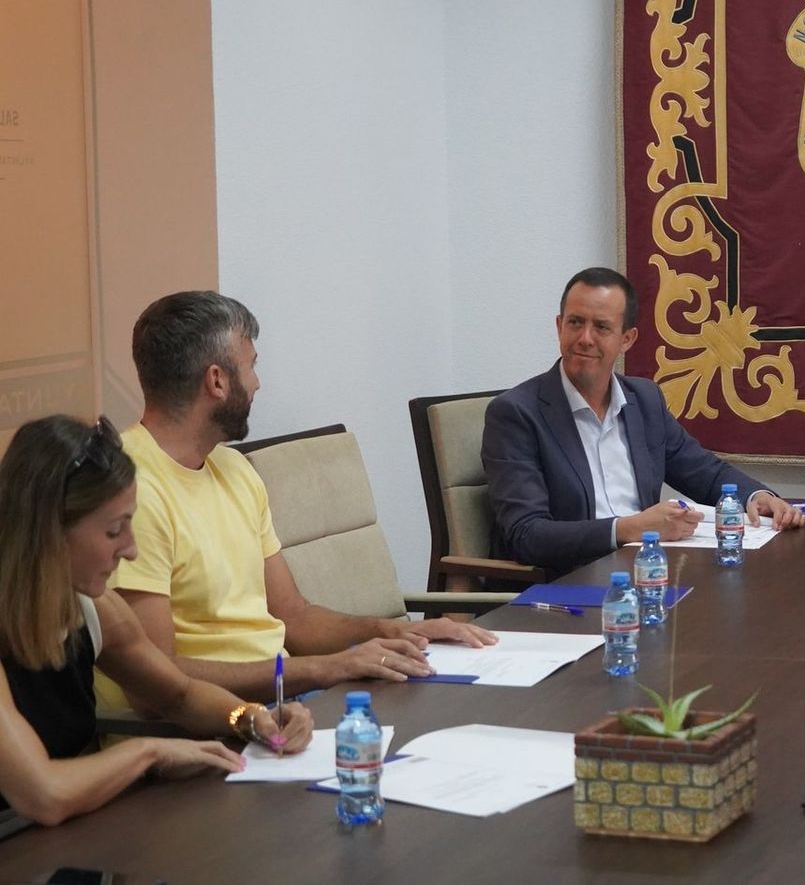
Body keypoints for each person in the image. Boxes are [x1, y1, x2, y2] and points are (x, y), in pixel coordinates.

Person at [98, 291, 495, 714]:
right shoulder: (130, 491)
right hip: (216, 724)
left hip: (285, 698)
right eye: (251, 365)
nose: (256, 383)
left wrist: (395, 632)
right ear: (217, 380)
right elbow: (155, 682)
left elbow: (294, 615)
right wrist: (324, 669)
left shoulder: (234, 469)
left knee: (456, 708)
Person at [0, 416, 313, 826]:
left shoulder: (90, 609)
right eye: (114, 531)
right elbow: (44, 795)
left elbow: (177, 695)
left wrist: (251, 718)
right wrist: (148, 752)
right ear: (49, 532)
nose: (130, 550)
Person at [483, 267, 804, 578]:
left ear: (627, 339)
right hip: (571, 583)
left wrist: (756, 497)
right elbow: (527, 535)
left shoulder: (644, 400)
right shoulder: (517, 413)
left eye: (601, 327)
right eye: (575, 323)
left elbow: (704, 473)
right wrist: (630, 528)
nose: (584, 338)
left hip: (649, 568)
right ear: (558, 326)